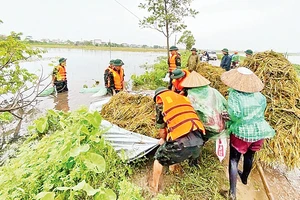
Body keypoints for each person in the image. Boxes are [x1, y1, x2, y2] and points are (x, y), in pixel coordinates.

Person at [220, 67, 275, 200]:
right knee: (250, 156)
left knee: (234, 160)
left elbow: (235, 115)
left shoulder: (235, 95)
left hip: (242, 133)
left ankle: (232, 194)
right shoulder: (260, 96)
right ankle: (244, 178)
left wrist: (227, 116)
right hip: (259, 132)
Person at [150, 87, 205, 193]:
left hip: (182, 143)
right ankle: (173, 171)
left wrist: (162, 139)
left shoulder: (161, 101)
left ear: (157, 97)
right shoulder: (183, 98)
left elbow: (162, 130)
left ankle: (154, 186)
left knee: (158, 158)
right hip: (199, 141)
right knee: (173, 145)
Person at [181, 71, 227, 140]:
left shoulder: (191, 96)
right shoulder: (214, 91)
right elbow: (225, 104)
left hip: (207, 127)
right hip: (220, 124)